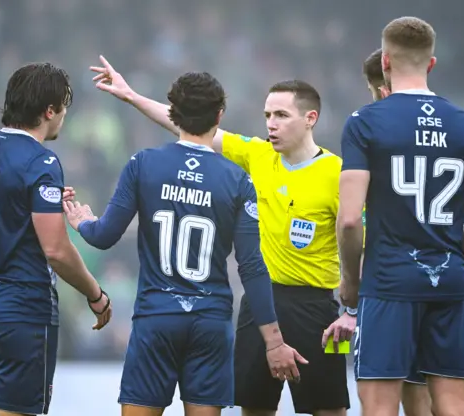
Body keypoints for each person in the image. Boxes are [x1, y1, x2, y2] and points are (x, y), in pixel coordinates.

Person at [89, 56, 353, 416]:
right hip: (258, 305)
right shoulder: (257, 155)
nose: (271, 125)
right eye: (267, 116)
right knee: (254, 407)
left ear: (311, 119)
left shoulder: (339, 173)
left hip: (319, 307)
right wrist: (132, 97)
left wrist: (353, 309)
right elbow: (190, 124)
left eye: (281, 116)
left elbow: (360, 243)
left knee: (331, 408)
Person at [338, 17, 464, 416]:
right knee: (453, 404)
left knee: (379, 406)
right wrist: (449, 259)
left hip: (388, 281)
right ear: (432, 63)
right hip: (450, 282)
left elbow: (351, 220)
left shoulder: (365, 122)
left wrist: (352, 282)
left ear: (385, 62)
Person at [0, 63, 113, 416]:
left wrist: (40, 205)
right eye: (64, 108)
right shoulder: (41, 162)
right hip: (22, 315)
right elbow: (55, 251)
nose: (64, 117)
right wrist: (95, 294)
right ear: (49, 110)